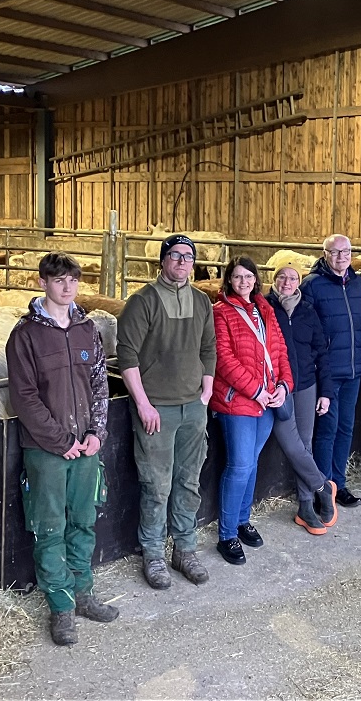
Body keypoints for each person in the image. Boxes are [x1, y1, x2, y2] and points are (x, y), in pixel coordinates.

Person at [7, 252, 116, 646]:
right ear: (42, 283)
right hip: (47, 450)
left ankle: (83, 592)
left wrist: (96, 434)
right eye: (58, 280)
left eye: (72, 280)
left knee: (83, 521)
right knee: (49, 528)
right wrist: (62, 441)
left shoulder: (88, 329)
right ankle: (61, 606)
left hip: (86, 446)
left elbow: (101, 386)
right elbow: (25, 398)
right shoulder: (25, 335)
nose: (67, 287)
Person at [118, 234, 216, 591]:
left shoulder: (202, 301)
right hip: (157, 409)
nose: (181, 262)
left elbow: (209, 347)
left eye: (187, 257)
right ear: (162, 261)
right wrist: (143, 403)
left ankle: (185, 548)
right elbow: (127, 354)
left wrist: (206, 389)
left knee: (188, 481)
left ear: (193, 263)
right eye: (174, 256)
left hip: (193, 406)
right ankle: (154, 554)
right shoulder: (143, 301)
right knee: (156, 485)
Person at [211, 256, 292, 565]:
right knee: (240, 465)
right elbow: (224, 359)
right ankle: (227, 534)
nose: (243, 281)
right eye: (237, 277)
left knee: (252, 461)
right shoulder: (221, 313)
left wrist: (284, 385)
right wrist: (256, 390)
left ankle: (242, 521)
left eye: (248, 276)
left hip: (269, 400)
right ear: (229, 281)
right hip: (239, 401)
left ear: (256, 280)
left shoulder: (265, 311)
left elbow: (280, 352)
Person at [265, 266, 339, 535]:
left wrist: (326, 392)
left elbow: (321, 353)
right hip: (279, 388)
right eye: (282, 277)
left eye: (292, 278)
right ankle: (323, 486)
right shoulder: (265, 308)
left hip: (307, 384)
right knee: (291, 444)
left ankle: (305, 506)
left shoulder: (308, 310)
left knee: (305, 444)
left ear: (299, 282)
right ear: (273, 280)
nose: (287, 282)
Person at [303, 234, 361, 509]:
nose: (342, 257)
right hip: (328, 370)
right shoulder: (313, 285)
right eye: (335, 252)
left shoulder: (358, 284)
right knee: (327, 429)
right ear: (325, 254)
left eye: (346, 251)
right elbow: (309, 331)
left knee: (345, 428)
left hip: (354, 369)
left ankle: (339, 484)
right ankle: (324, 487)